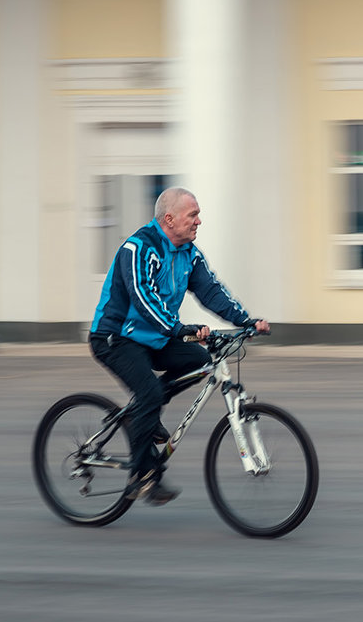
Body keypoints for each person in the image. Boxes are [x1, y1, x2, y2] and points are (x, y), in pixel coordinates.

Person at [88, 186, 270, 505]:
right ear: (169, 219)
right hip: (116, 338)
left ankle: (141, 412)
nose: (199, 221)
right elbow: (143, 297)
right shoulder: (139, 247)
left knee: (199, 362)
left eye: (198, 214)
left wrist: (245, 321)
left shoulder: (189, 253)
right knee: (149, 393)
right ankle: (141, 476)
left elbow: (211, 291)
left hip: (155, 337)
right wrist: (179, 328)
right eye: (193, 215)